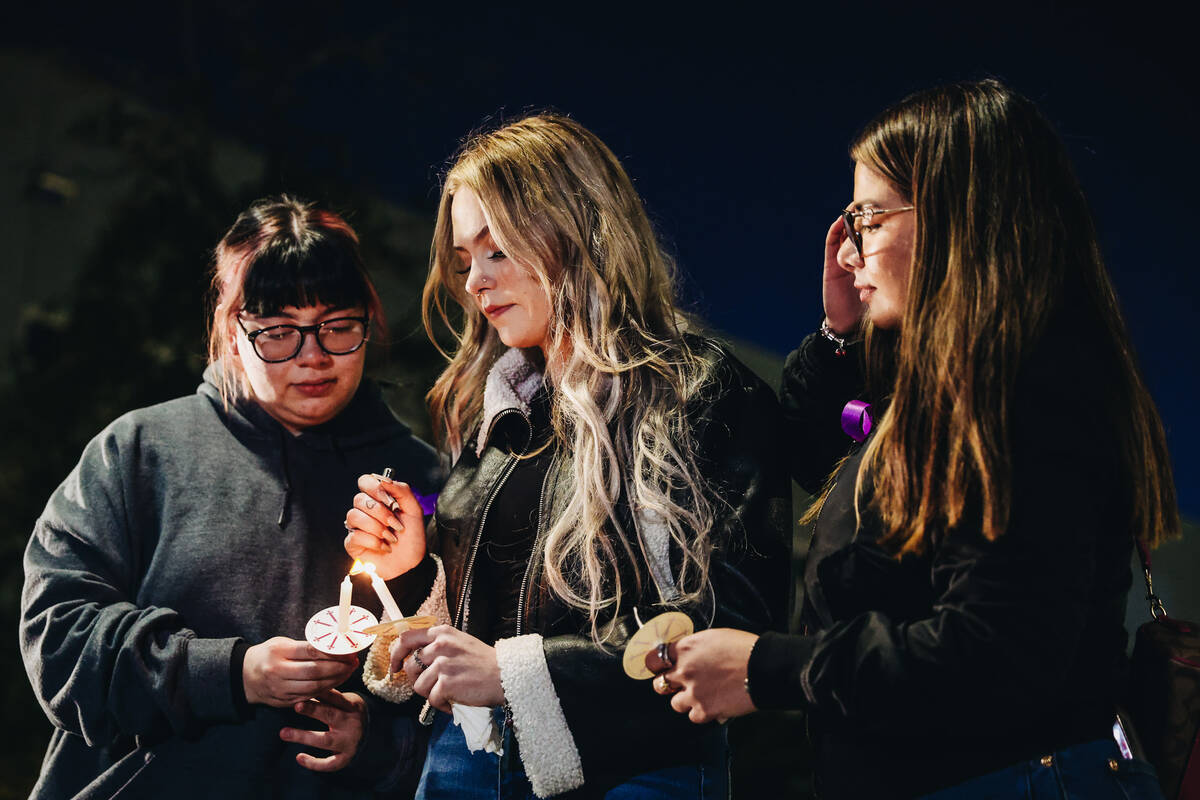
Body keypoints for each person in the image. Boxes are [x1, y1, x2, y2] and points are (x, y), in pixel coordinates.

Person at [646, 80, 1180, 798]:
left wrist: (766, 667)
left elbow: (995, 653)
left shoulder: (1024, 388)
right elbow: (820, 465)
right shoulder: (957, 387)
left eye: (868, 217)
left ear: (960, 218)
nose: (849, 250)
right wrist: (839, 338)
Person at [342, 114, 792, 799]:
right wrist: (408, 571)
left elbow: (730, 618)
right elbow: (468, 641)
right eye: (465, 261)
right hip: (468, 761)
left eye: (496, 251)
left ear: (574, 232)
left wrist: (515, 673)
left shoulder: (698, 390)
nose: (475, 284)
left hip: (632, 771)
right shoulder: (500, 408)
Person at [20, 195, 443, 799]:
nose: (313, 356)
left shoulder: (421, 479)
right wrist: (229, 673)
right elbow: (58, 638)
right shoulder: (142, 451)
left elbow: (463, 688)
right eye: (278, 333)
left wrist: (374, 743)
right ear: (231, 326)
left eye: (338, 326)